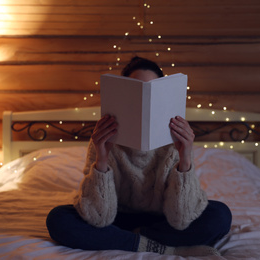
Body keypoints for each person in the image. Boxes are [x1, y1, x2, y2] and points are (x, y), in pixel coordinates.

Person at [46, 56, 232, 257]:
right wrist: (102, 158)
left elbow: (181, 218)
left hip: (163, 220)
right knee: (58, 219)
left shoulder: (175, 139)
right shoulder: (104, 137)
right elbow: (99, 218)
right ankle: (161, 247)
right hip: (116, 217)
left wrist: (185, 158)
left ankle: (129, 240)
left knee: (220, 215)